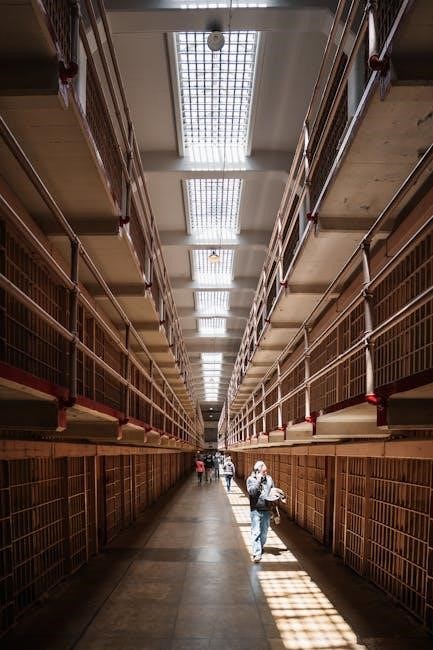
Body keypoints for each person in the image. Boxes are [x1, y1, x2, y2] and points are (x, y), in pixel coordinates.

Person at [246, 460, 274, 562]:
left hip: (266, 509)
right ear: (257, 471)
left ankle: (260, 546)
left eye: (266, 471)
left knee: (264, 533)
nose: (266, 473)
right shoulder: (251, 479)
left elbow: (272, 491)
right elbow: (252, 492)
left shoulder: (269, 479)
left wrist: (278, 495)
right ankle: (257, 553)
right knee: (256, 532)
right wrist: (258, 481)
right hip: (255, 510)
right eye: (263, 471)